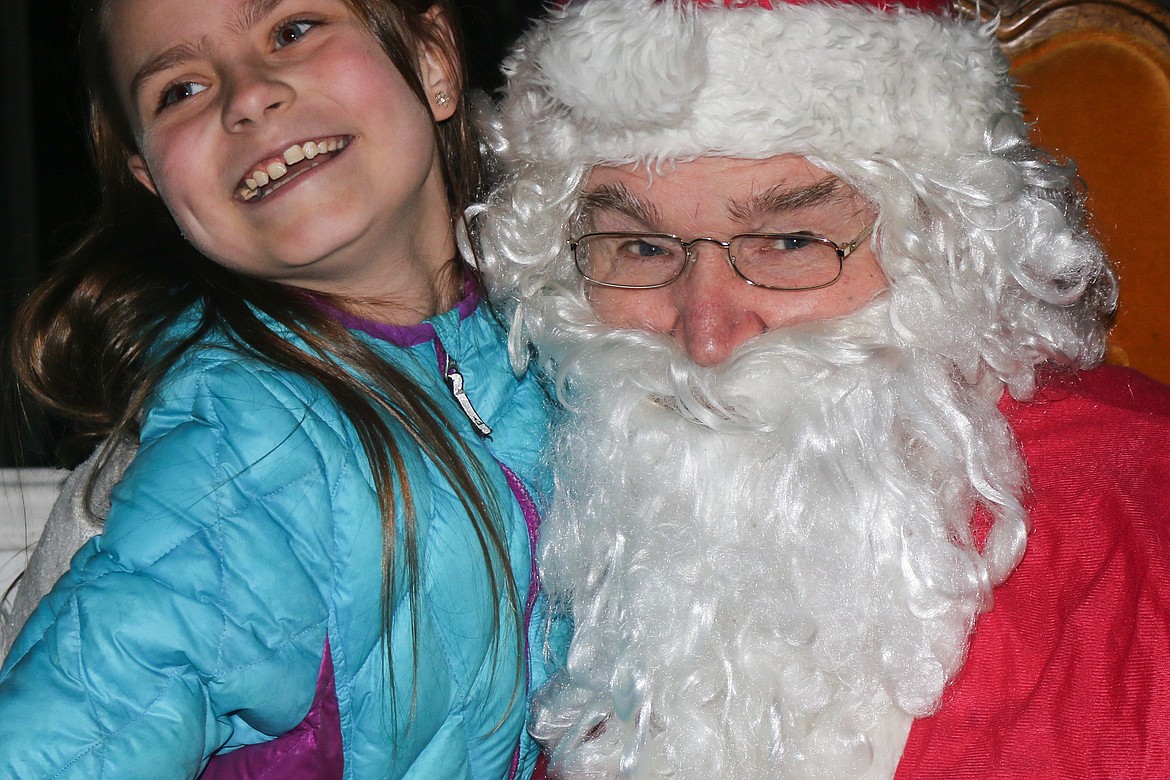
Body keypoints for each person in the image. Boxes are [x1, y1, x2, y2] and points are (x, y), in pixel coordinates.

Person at [474, 0, 1170, 777]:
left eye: (791, 241)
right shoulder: (540, 497)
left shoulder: (1142, 522)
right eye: (641, 245)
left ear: (939, 241)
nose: (705, 337)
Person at [0, 0, 556, 776]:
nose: (247, 95)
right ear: (153, 180)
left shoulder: (576, 339)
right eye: (179, 90)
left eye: (292, 31)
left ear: (433, 60)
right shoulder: (245, 454)